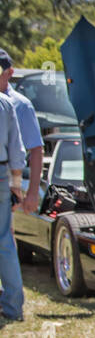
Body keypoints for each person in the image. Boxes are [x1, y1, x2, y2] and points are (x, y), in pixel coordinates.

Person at [0, 50, 44, 215]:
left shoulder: (21, 105)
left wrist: (32, 192)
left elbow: (36, 149)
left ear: (10, 73)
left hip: (7, 181)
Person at [0, 88, 28, 322]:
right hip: (1, 173)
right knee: (4, 242)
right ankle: (12, 306)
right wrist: (16, 185)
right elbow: (16, 148)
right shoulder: (6, 103)